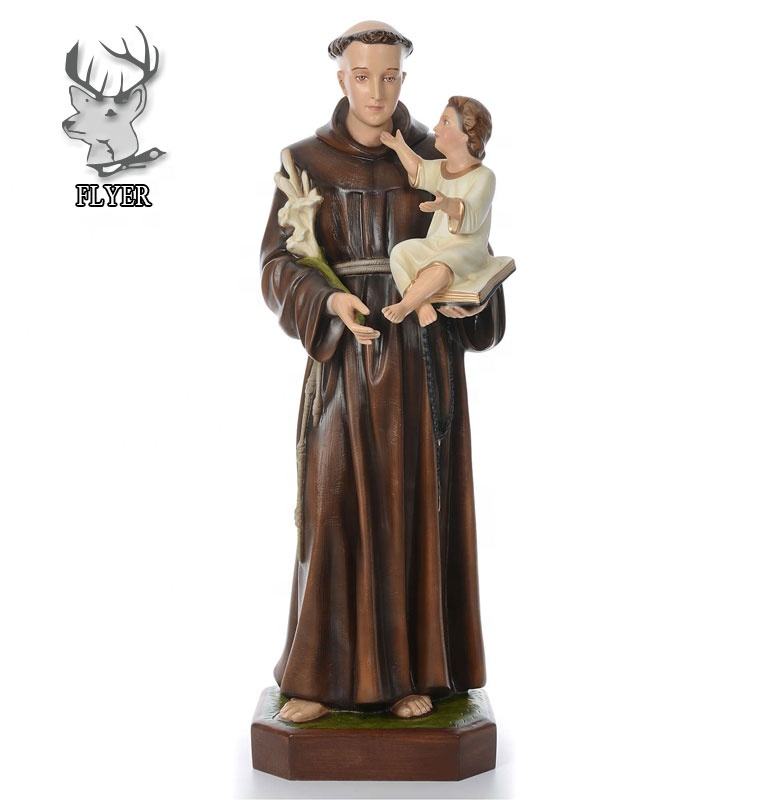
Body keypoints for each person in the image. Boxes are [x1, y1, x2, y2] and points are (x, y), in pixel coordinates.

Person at [259, 20, 506, 724]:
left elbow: (474, 247)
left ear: (404, 79)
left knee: (411, 510)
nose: (377, 91)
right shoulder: (305, 160)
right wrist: (326, 299)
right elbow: (276, 266)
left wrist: (469, 297)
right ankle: (318, 675)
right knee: (333, 504)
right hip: (345, 358)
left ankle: (410, 674)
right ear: (342, 77)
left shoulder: (438, 156)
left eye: (390, 77)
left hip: (421, 363)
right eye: (363, 76)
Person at [381, 97, 510, 327]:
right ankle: (421, 305)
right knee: (400, 253)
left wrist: (447, 205)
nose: (436, 128)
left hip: (467, 249)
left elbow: (472, 215)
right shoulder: (443, 168)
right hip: (436, 243)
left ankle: (405, 305)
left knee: (443, 266)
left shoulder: (483, 177)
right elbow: (420, 170)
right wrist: (400, 147)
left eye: (445, 122)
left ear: (466, 134)